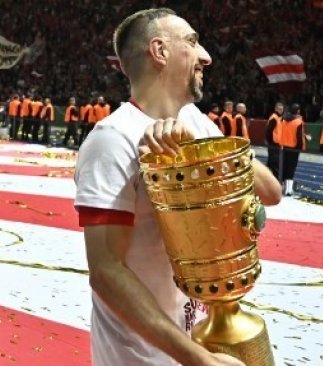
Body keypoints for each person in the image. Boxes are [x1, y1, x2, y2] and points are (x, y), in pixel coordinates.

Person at [75, 8, 280, 366]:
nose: (206, 56)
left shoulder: (195, 121)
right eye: (192, 42)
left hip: (200, 332)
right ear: (160, 51)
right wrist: (201, 361)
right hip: (145, 356)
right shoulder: (113, 139)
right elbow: (107, 272)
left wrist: (198, 152)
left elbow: (270, 193)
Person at [280, 103, 305, 196]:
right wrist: (300, 147)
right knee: (291, 169)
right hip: (294, 148)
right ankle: (288, 191)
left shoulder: (284, 119)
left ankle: (281, 188)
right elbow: (298, 136)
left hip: (284, 146)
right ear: (298, 111)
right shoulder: (298, 122)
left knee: (283, 167)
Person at [264, 102, 284, 179]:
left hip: (275, 143)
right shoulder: (274, 118)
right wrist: (270, 141)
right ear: (275, 109)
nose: (281, 110)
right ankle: (276, 179)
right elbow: (269, 131)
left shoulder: (278, 118)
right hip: (273, 144)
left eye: (282, 109)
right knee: (275, 163)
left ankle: (266, 177)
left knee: (270, 162)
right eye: (279, 109)